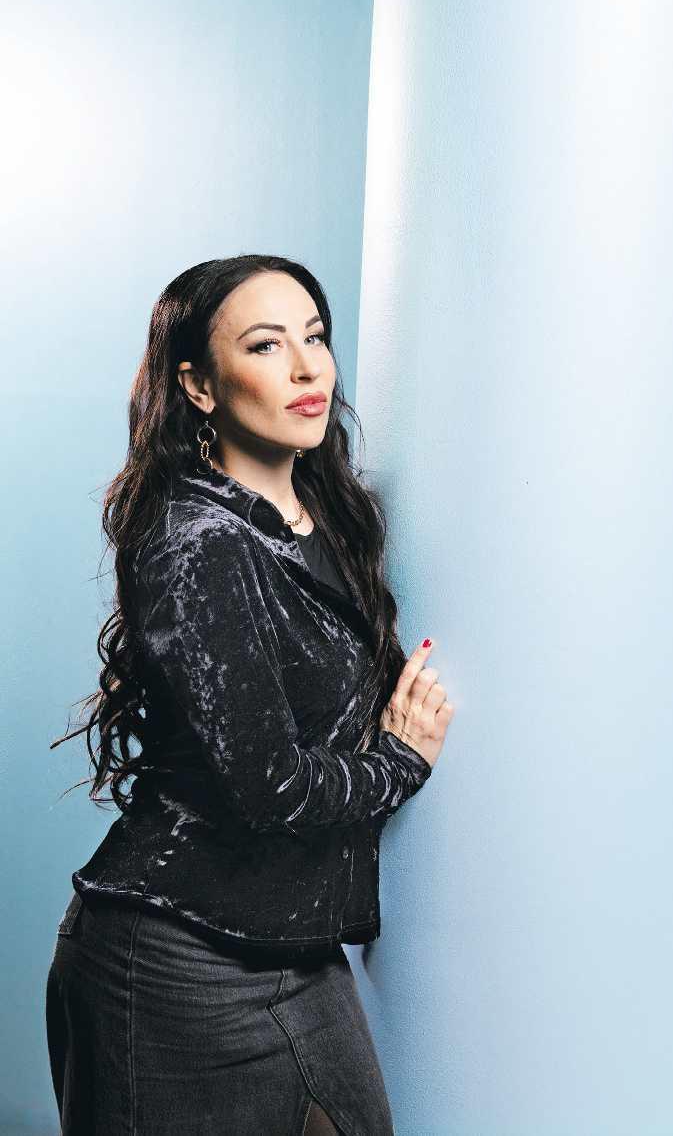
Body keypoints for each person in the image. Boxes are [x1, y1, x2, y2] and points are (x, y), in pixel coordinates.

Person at [45, 254, 455, 1135]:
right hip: (171, 959)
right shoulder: (198, 540)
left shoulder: (330, 516)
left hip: (298, 949)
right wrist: (399, 762)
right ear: (198, 384)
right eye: (266, 345)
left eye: (315, 337)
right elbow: (270, 785)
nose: (307, 368)